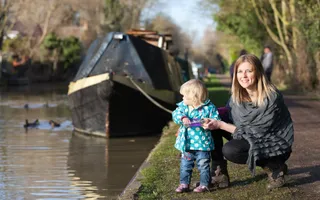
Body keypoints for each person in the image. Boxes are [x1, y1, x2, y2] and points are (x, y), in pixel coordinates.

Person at [203, 54, 294, 190]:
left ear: (258, 72)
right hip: (249, 136)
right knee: (211, 124)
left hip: (274, 145)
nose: (243, 75)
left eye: (249, 71)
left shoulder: (271, 97)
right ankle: (219, 175)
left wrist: (222, 125)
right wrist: (195, 123)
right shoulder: (236, 97)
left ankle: (275, 166)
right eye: (240, 71)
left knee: (231, 150)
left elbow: (257, 133)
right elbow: (227, 113)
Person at [172, 79, 220, 193]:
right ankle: (184, 184)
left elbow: (216, 119)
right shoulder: (184, 107)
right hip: (187, 143)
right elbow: (176, 113)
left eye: (184, 96)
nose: (182, 98)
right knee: (185, 165)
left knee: (203, 165)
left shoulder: (209, 107)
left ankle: (204, 184)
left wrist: (209, 123)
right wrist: (183, 118)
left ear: (194, 96)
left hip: (203, 144)